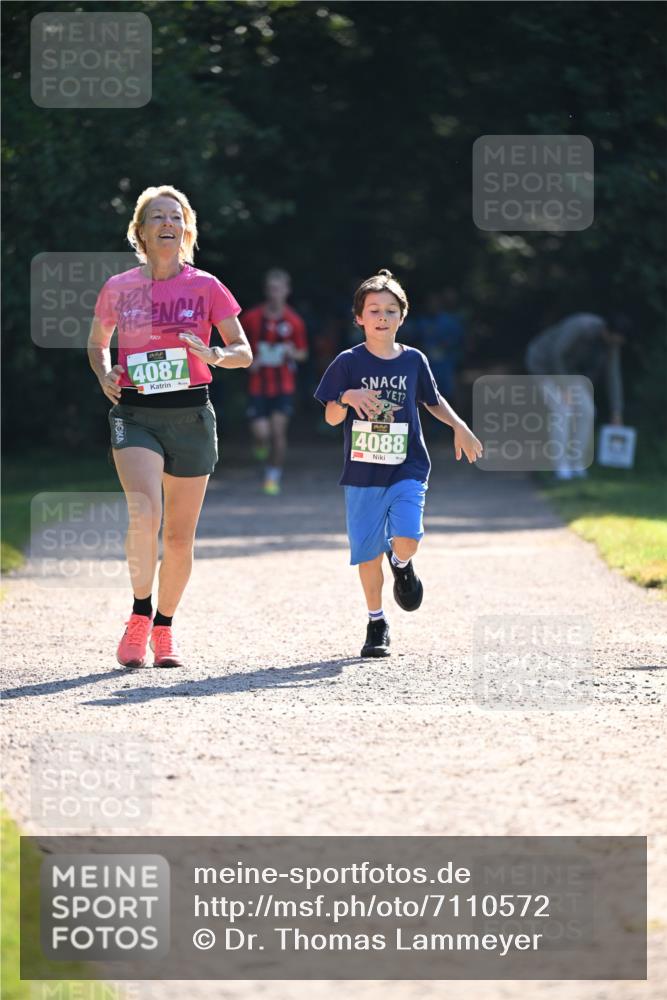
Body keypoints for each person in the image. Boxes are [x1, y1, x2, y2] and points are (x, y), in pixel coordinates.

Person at [88, 185, 252, 669]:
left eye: (175, 217)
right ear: (140, 231)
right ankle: (139, 615)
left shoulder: (207, 286)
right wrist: (104, 372)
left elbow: (243, 351)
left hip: (192, 416)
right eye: (157, 216)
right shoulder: (119, 287)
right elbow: (98, 342)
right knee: (145, 513)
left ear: (186, 230)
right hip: (136, 413)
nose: (167, 223)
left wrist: (215, 354)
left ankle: (164, 627)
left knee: (179, 538)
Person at [314, 269, 483, 658]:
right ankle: (376, 622)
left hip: (407, 466)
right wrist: (347, 397)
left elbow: (432, 400)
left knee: (408, 537)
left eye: (391, 310)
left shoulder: (413, 360)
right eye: (374, 310)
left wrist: (460, 427)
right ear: (359, 317)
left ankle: (402, 563)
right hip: (362, 473)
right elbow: (332, 418)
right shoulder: (347, 362)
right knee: (367, 554)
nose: (382, 317)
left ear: (402, 317)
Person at [525, 312, 628, 480]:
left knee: (588, 411)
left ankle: (577, 463)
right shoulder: (580, 327)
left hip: (570, 373)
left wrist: (616, 411)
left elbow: (613, 376)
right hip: (543, 366)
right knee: (562, 410)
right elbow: (557, 354)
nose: (616, 345)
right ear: (607, 331)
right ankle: (561, 467)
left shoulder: (611, 344)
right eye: (615, 340)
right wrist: (564, 388)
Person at [241, 268, 308, 495]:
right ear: (266, 290)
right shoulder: (251, 318)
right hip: (257, 386)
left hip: (283, 386)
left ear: (287, 291)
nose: (275, 293)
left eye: (279, 289)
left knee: (278, 432)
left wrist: (291, 352)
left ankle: (272, 477)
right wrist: (248, 362)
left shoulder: (294, 321)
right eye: (271, 289)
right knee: (262, 434)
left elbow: (303, 353)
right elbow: (236, 346)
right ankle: (260, 446)